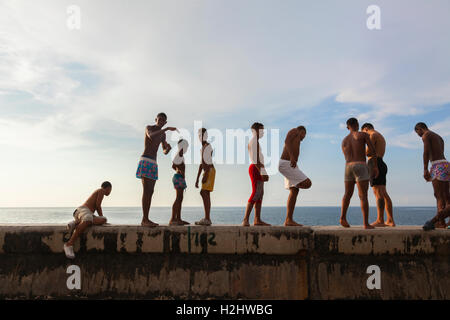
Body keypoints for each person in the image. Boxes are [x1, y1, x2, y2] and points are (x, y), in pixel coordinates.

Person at [136, 112, 177, 227]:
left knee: (151, 191)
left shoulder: (162, 135)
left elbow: (164, 151)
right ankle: (144, 219)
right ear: (156, 119)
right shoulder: (149, 128)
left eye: (163, 121)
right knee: (146, 190)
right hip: (146, 160)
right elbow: (151, 136)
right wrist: (167, 129)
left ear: (165, 122)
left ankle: (146, 219)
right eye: (159, 120)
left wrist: (168, 149)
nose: (161, 122)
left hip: (154, 163)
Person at [341, 118, 378, 229]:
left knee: (347, 194)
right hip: (360, 165)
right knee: (363, 196)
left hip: (348, 167)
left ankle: (342, 217)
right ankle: (366, 224)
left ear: (348, 127)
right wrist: (375, 166)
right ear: (357, 124)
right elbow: (372, 150)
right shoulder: (363, 135)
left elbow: (345, 156)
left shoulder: (344, 140)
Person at [414, 122, 450, 230]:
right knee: (446, 196)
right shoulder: (439, 137)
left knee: (438, 196)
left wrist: (425, 169)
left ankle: (440, 222)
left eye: (418, 133)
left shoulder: (426, 135)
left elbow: (426, 152)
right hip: (445, 164)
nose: (419, 136)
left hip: (437, 165)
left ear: (420, 129)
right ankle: (445, 222)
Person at [64, 181, 112, 259]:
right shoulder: (101, 190)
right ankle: (69, 244)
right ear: (108, 188)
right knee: (89, 218)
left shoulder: (100, 191)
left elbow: (96, 207)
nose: (110, 192)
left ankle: (76, 222)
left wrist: (101, 218)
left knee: (103, 219)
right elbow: (98, 205)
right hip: (83, 210)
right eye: (110, 190)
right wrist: (100, 216)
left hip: (85, 214)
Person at [361, 123, 395, 227]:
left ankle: (380, 220)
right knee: (384, 193)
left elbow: (368, 152)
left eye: (363, 133)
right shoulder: (380, 136)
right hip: (381, 162)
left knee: (378, 192)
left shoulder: (372, 135)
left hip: (374, 163)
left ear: (366, 129)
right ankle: (390, 220)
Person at [278, 126, 312, 226]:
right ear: (301, 131)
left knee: (294, 190)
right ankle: (288, 219)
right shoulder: (295, 131)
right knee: (308, 183)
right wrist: (292, 156)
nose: (304, 138)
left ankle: (288, 220)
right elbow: (287, 141)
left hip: (291, 165)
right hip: (287, 163)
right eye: (304, 135)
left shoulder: (297, 136)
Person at [242, 122, 271, 227]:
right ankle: (245, 219)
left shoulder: (255, 141)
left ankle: (257, 219)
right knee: (256, 193)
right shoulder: (254, 141)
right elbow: (255, 159)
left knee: (260, 194)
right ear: (256, 130)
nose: (263, 132)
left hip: (257, 168)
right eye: (261, 130)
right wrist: (262, 171)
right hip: (255, 168)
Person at [195, 128, 215, 226]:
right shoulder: (202, 148)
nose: (201, 137)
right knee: (205, 193)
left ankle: (207, 218)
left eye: (202, 135)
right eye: (199, 135)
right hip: (207, 170)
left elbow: (207, 161)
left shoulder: (207, 146)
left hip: (209, 170)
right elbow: (201, 163)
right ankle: (207, 218)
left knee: (204, 193)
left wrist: (206, 173)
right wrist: (197, 178)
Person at [170, 139, 189, 226]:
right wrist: (180, 171)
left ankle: (178, 219)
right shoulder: (179, 154)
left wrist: (181, 172)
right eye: (186, 147)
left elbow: (174, 165)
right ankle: (173, 219)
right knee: (178, 198)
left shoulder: (180, 155)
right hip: (178, 177)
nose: (187, 149)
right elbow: (173, 165)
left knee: (180, 199)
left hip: (179, 177)